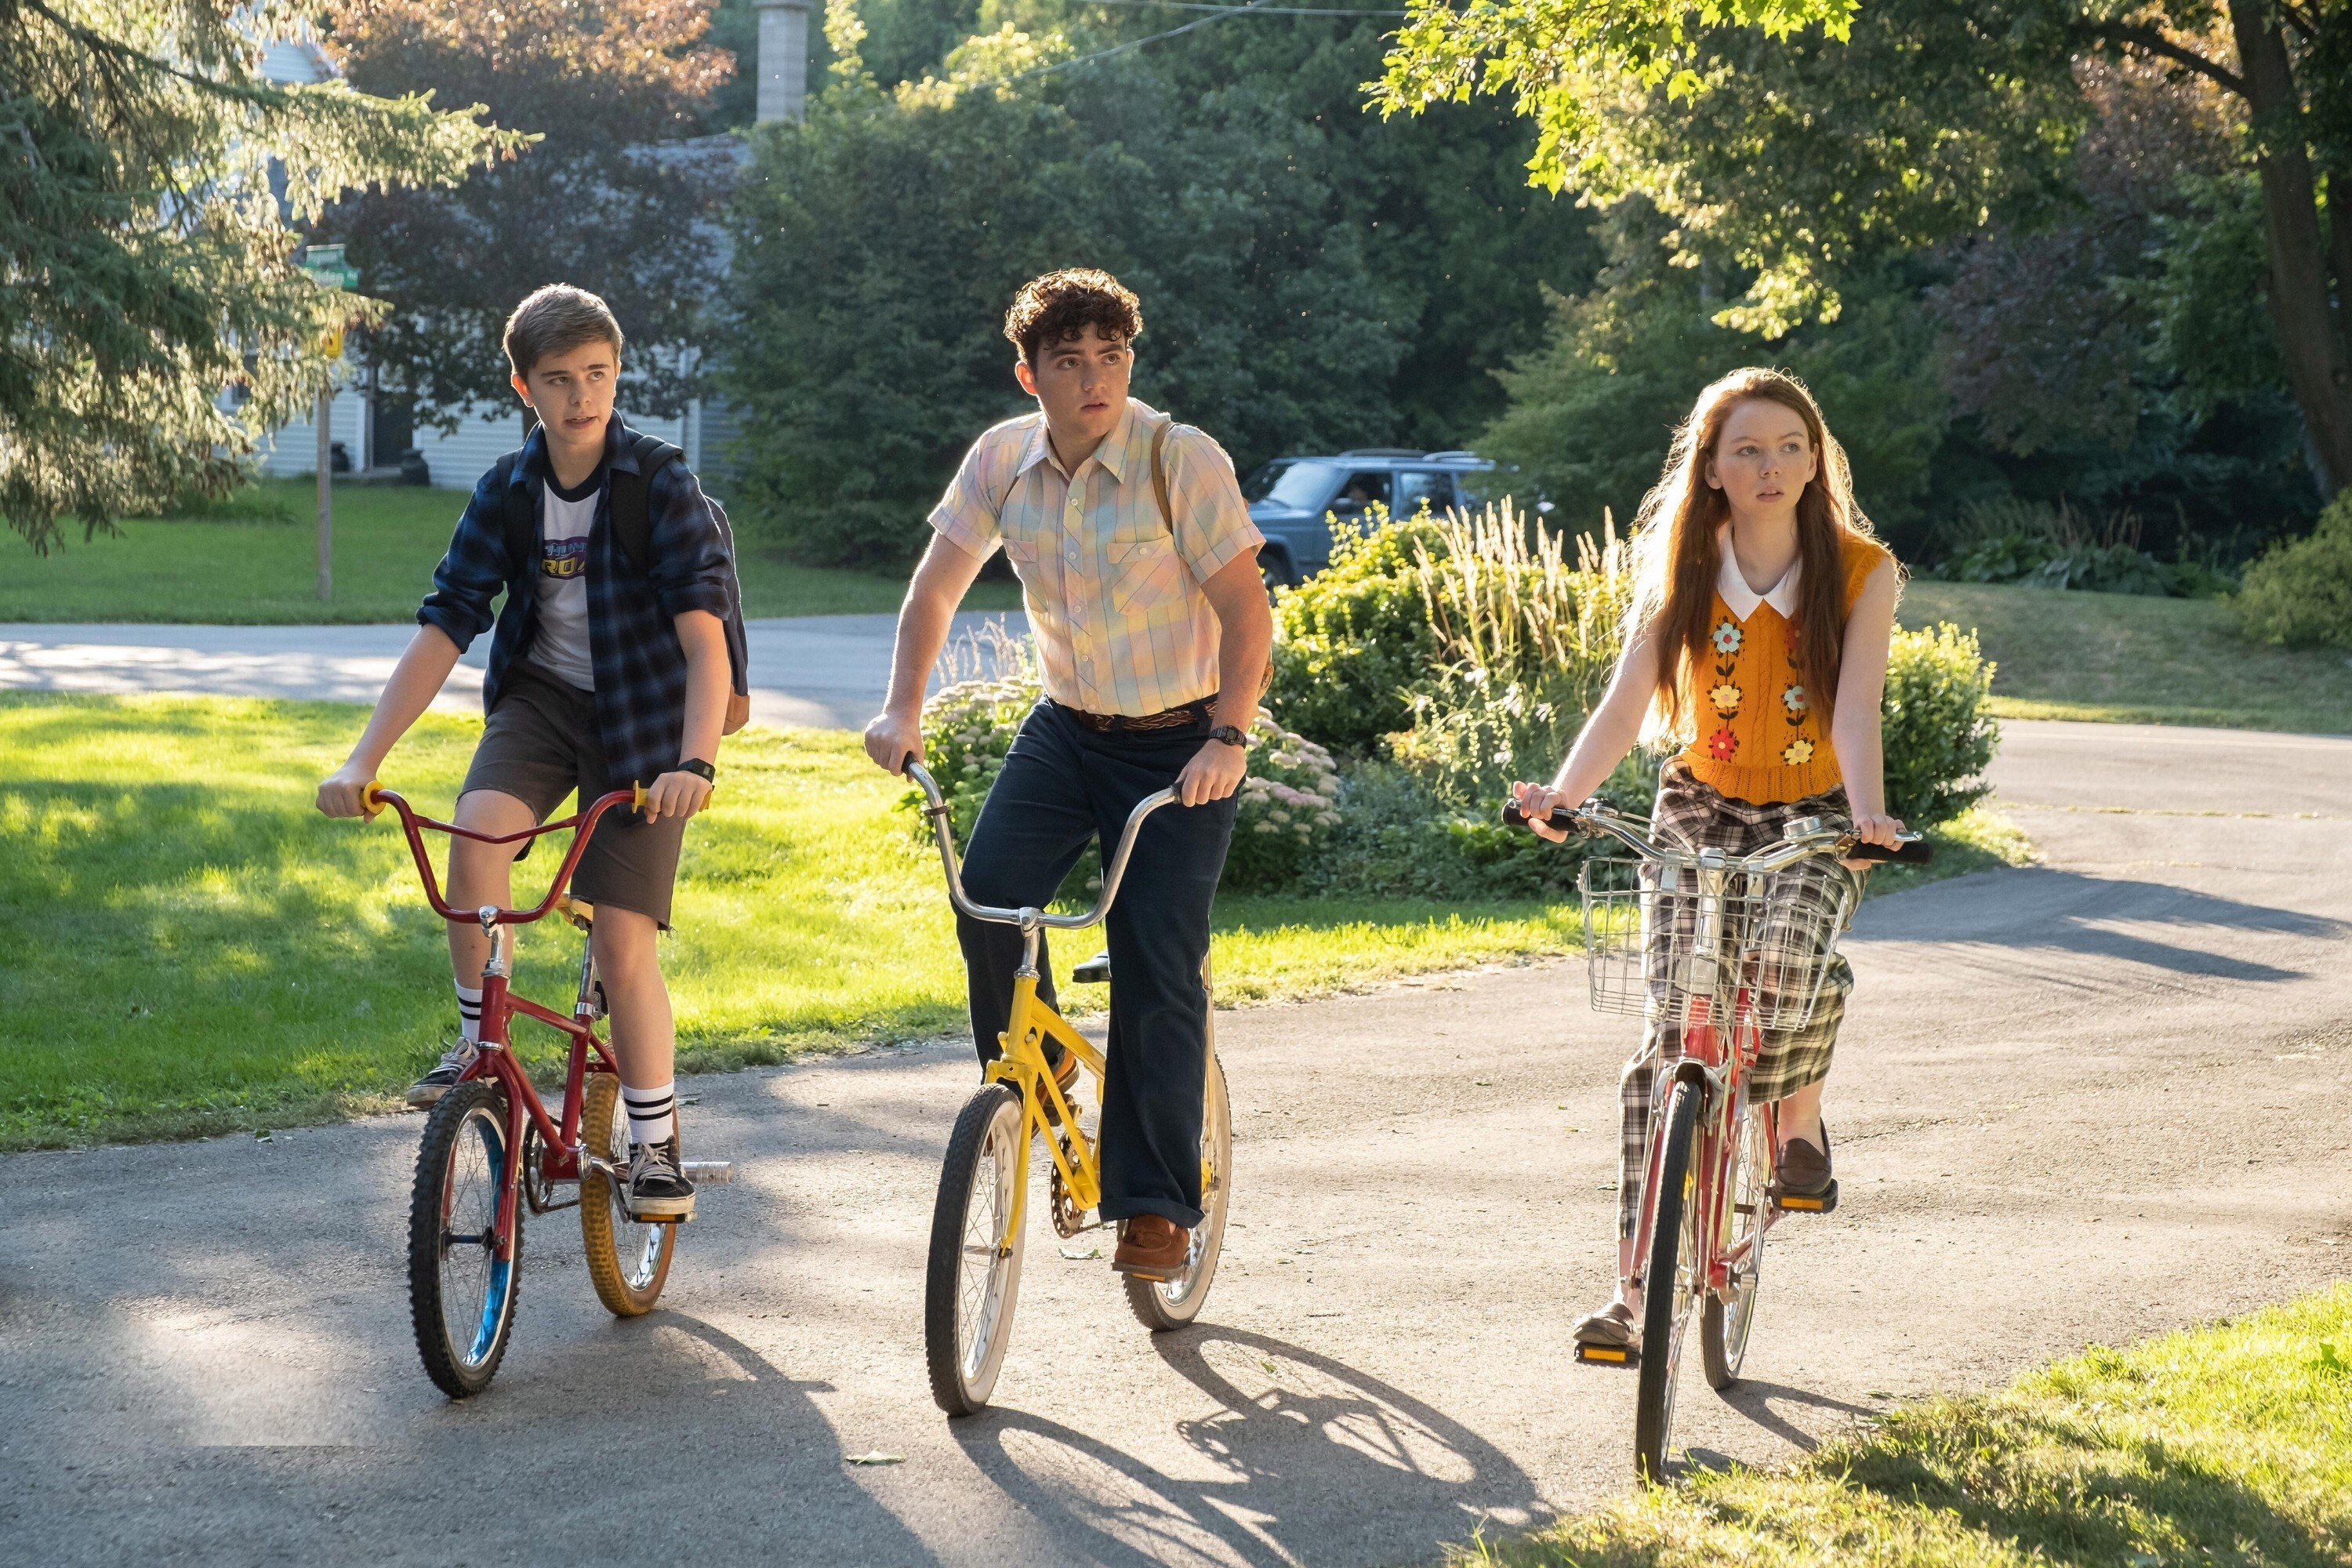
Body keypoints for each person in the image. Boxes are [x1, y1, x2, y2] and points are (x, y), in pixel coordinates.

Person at [862, 268, 1271, 1281]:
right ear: (1029, 374)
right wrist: (901, 710)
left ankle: (1157, 1203)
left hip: (1182, 743)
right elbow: (934, 589)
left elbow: (1246, 612)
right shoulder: (1002, 460)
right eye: (1071, 361)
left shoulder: (1182, 461)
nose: (1096, 379)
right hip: (1066, 728)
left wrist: (1229, 736)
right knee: (988, 902)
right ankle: (1034, 1087)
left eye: (1113, 357)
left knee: (1154, 964)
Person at [316, 283, 739, 1221]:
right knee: (475, 840)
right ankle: (478, 1046)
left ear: (616, 373)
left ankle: (656, 1141)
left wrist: (695, 765)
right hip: (543, 704)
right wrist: (361, 760)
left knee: (622, 940)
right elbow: (445, 629)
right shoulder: (508, 491)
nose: (582, 396)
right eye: (559, 379)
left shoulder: (658, 483)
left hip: (647, 723)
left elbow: (704, 643)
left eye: (597, 374)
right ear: (524, 387)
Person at [1510, 367, 1906, 1351]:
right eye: (1746, 450)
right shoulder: (1688, 561)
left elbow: (1855, 707)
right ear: (1713, 468)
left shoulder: (1863, 571)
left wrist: (1867, 816)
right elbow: (1629, 699)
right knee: (1665, 1047)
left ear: (1816, 462)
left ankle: (1799, 1123)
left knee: (1787, 964)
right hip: (1697, 805)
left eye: (1789, 447)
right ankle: (1633, 1290)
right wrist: (1563, 795)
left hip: (1813, 810)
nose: (1770, 466)